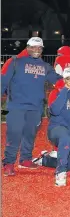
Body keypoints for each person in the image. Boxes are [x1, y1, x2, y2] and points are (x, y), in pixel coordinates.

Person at [2, 37, 61, 176]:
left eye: (39, 48)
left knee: (30, 134)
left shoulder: (45, 66)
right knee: (14, 134)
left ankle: (25, 159)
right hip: (16, 106)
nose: (36, 50)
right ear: (27, 48)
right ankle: (9, 162)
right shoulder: (15, 61)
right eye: (33, 47)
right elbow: (3, 81)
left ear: (42, 50)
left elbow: (57, 79)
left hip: (36, 107)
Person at [33, 67, 70, 186]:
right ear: (64, 80)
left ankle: (45, 160)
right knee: (65, 137)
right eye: (68, 79)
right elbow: (55, 111)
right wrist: (65, 91)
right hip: (57, 130)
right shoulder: (56, 92)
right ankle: (60, 173)